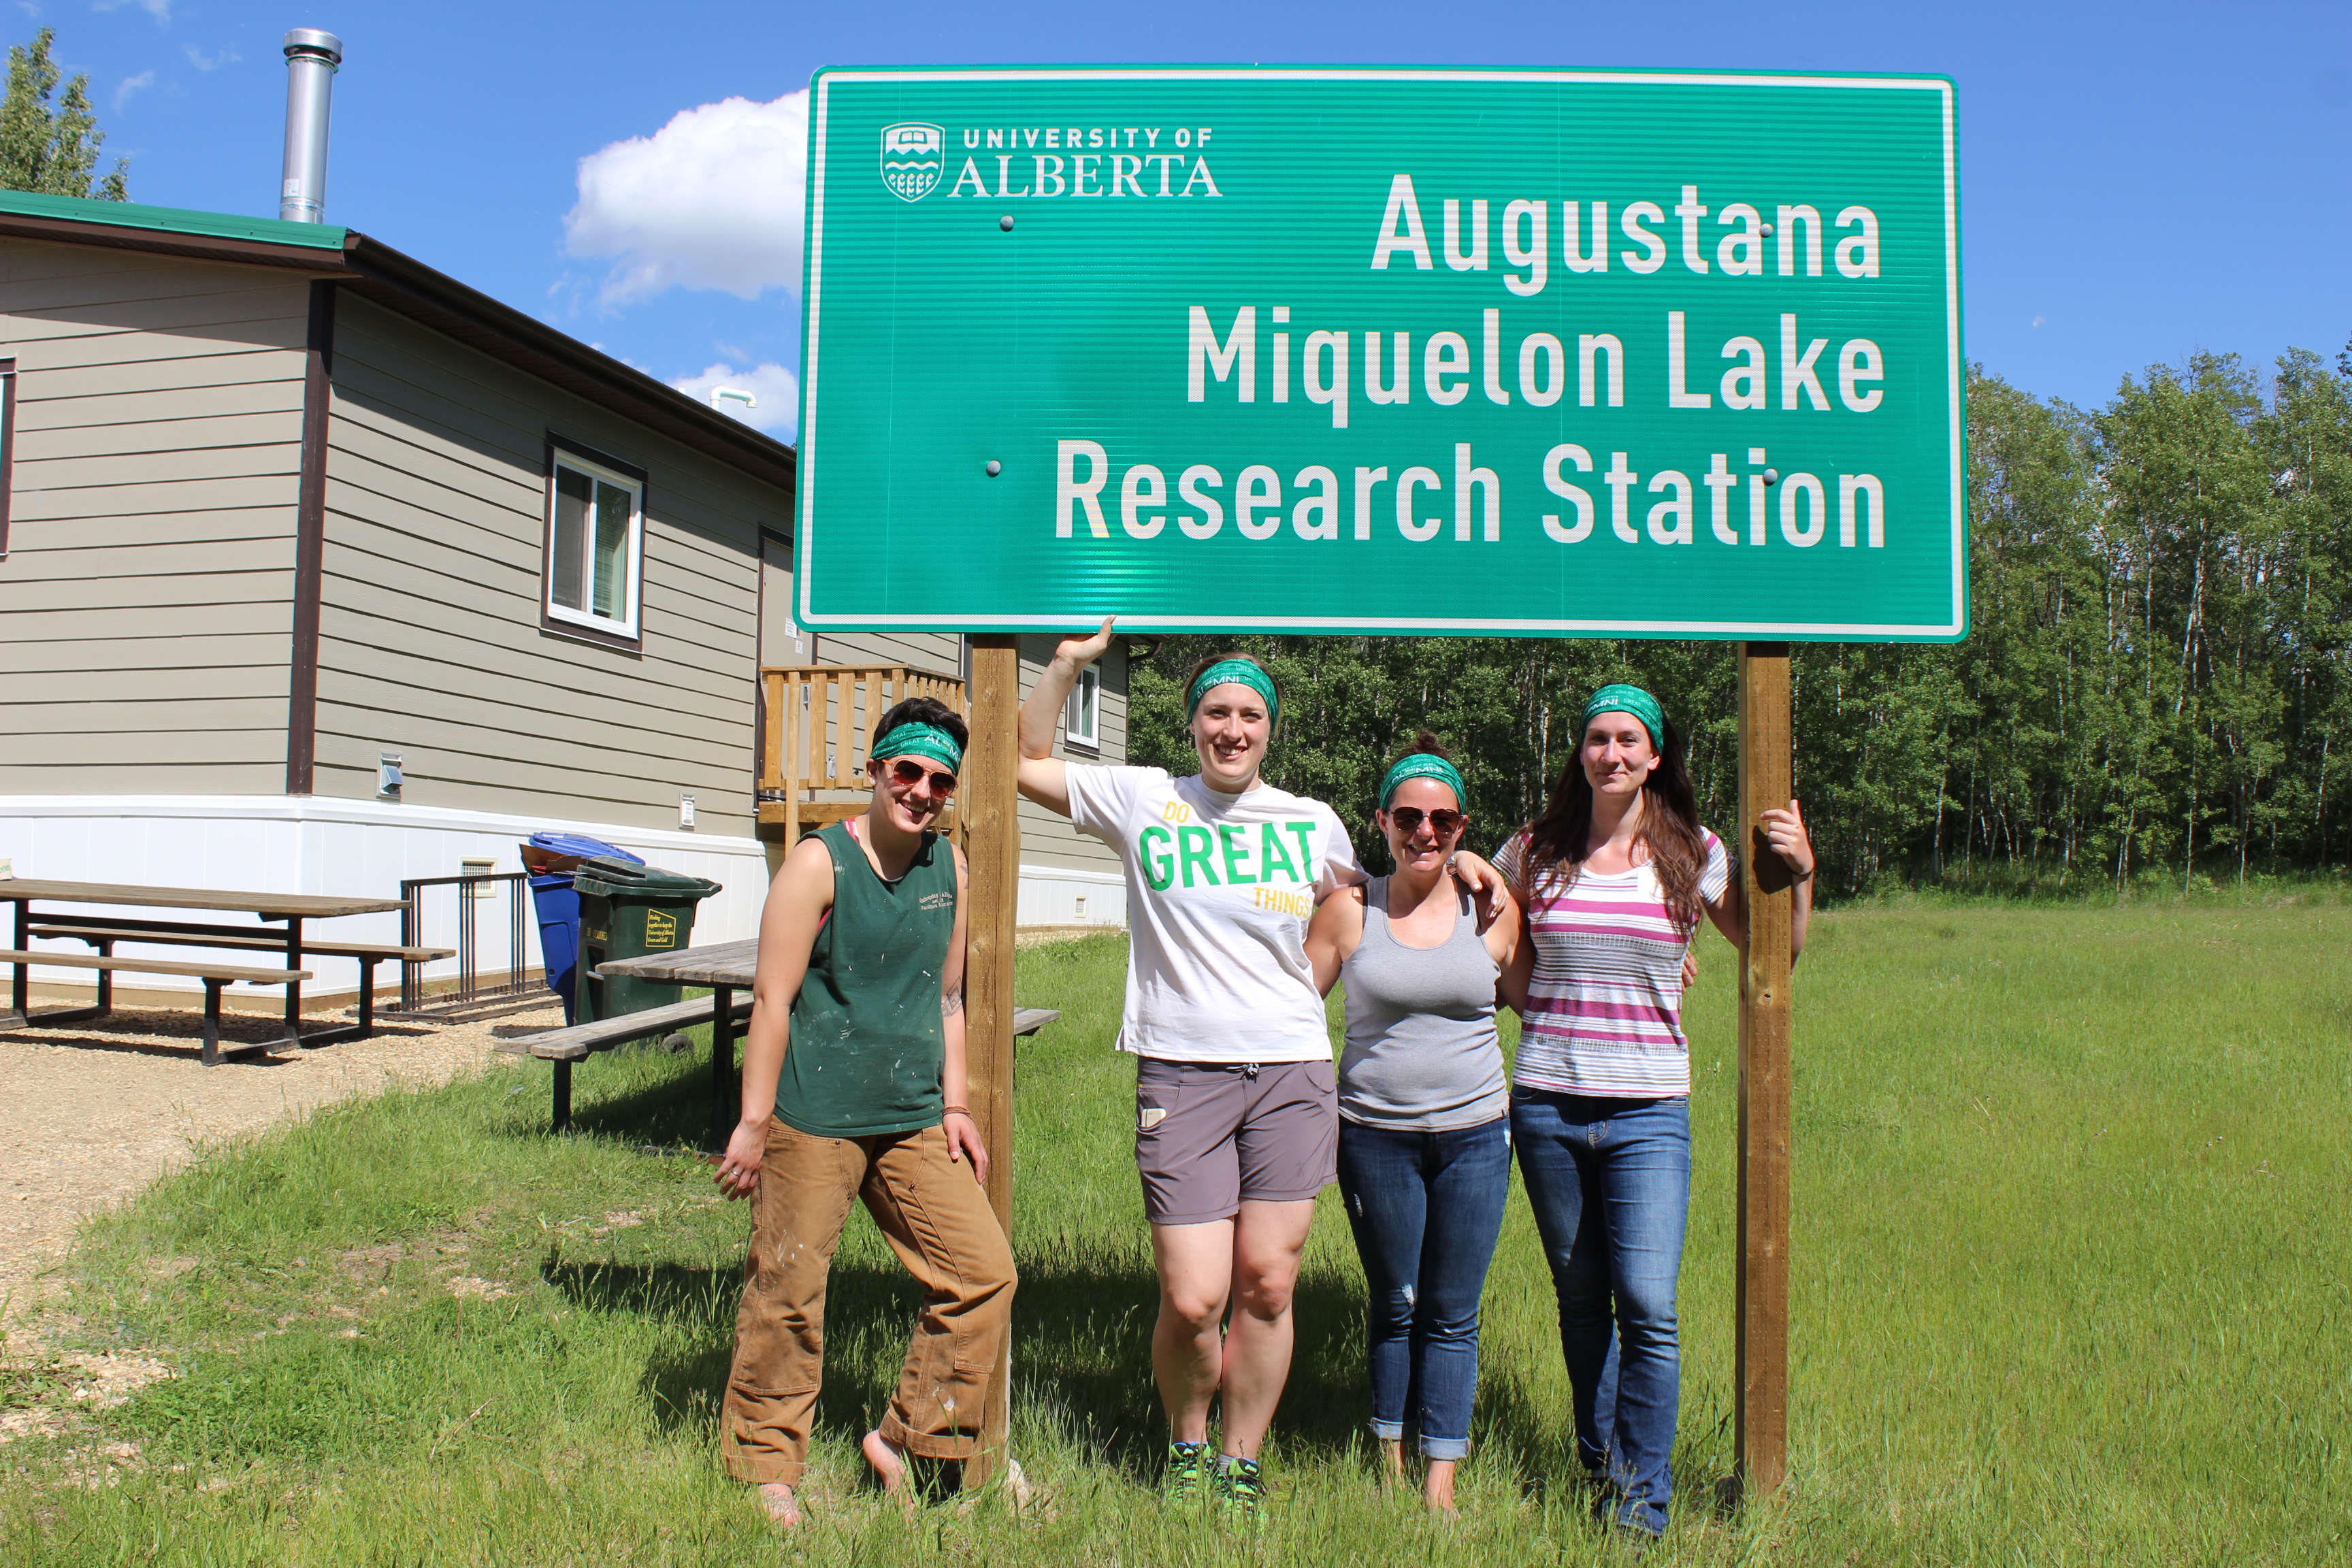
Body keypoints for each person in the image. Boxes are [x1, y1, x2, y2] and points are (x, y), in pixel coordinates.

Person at [1017, 622, 1508, 1521]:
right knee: (1196, 1296)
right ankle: (1187, 1441)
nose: (1232, 729)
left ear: (1269, 729)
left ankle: (1240, 1461)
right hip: (1183, 1070)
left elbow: (1391, 890)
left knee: (1269, 1284)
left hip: (1291, 1072)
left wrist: (1468, 861)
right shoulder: (1143, 798)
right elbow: (1026, 760)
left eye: (1249, 715)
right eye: (1216, 713)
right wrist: (1065, 667)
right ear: (1193, 722)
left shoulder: (1310, 821)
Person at [1494, 683, 1813, 1543]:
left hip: (1647, 1111)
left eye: (1629, 740)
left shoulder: (1693, 849)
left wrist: (1800, 873)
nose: (1612, 754)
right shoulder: (1535, 848)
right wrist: (1557, 1004)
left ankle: (1641, 1501)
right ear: (1582, 753)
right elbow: (1499, 956)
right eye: (1598, 739)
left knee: (1648, 1302)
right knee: (1581, 1299)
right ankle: (1601, 1464)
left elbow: (1770, 945)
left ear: (1656, 757)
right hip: (1550, 1103)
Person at [713, 696, 1015, 1530]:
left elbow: (948, 996)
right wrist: (753, 1121)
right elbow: (772, 1000)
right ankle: (767, 1466)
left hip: (913, 1113)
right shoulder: (818, 864)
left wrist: (956, 1103)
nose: (920, 791)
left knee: (983, 1273)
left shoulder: (946, 867)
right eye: (906, 771)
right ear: (876, 769)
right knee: (790, 1286)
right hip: (815, 1114)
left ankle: (912, 1439)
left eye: (938, 781)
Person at [1303, 734, 1518, 1514]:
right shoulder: (1349, 912)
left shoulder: (1492, 908)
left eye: (1444, 820)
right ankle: (1388, 1462)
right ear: (1382, 822)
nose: (1426, 832)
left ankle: (1440, 1485)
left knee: (1453, 1310)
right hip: (1375, 1138)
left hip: (1475, 1137)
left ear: (1463, 827)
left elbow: (1542, 991)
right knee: (1396, 1300)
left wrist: (1672, 960)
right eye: (1408, 817)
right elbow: (1291, 1012)